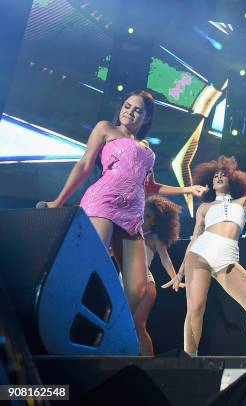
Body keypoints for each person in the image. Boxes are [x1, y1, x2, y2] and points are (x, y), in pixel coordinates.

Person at [39, 90, 206, 338]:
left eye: (137, 110)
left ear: (147, 118)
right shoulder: (106, 128)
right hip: (104, 202)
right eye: (127, 106)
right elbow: (85, 165)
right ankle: (57, 322)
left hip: (132, 216)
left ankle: (109, 333)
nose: (130, 112)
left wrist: (187, 189)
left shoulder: (147, 150)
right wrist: (58, 201)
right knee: (91, 263)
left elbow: (150, 186)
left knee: (138, 289)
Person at [166, 141, 246, 357]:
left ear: (232, 179)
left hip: (227, 259)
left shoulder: (243, 202)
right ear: (210, 181)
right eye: (215, 175)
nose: (218, 177)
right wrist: (179, 273)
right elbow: (195, 237)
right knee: (196, 308)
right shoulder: (205, 208)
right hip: (200, 254)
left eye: (223, 174)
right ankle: (189, 359)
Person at [127, 195, 185, 356]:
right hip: (122, 284)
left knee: (138, 325)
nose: (144, 218)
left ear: (155, 221)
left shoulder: (154, 238)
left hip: (144, 283)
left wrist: (175, 278)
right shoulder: (128, 234)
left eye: (148, 216)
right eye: (142, 214)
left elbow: (166, 260)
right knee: (122, 326)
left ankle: (149, 366)